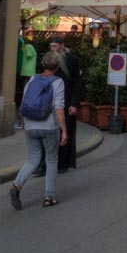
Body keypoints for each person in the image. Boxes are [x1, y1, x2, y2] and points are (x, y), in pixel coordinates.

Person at [10, 51, 67, 210]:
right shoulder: (58, 82)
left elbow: (24, 103)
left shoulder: (32, 79)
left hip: (30, 125)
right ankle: (49, 196)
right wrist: (64, 130)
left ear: (42, 64)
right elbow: (59, 107)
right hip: (49, 126)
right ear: (56, 66)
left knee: (32, 159)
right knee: (51, 160)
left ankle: (16, 186)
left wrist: (24, 125)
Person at [35, 35, 83, 175]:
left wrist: (74, 104)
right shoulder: (48, 59)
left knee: (65, 133)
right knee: (46, 132)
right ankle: (43, 165)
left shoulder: (72, 60)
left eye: (55, 46)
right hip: (49, 102)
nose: (53, 49)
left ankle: (63, 163)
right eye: (51, 46)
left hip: (66, 102)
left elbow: (76, 83)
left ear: (62, 46)